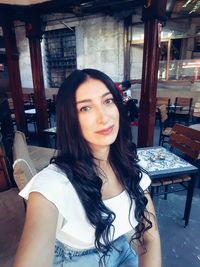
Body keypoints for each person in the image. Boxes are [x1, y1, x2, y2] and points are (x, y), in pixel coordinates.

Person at [13, 69, 161, 267]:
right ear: (70, 120)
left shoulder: (129, 166)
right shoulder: (52, 184)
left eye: (108, 101)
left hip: (121, 248)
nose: (104, 117)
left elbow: (151, 238)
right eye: (85, 108)